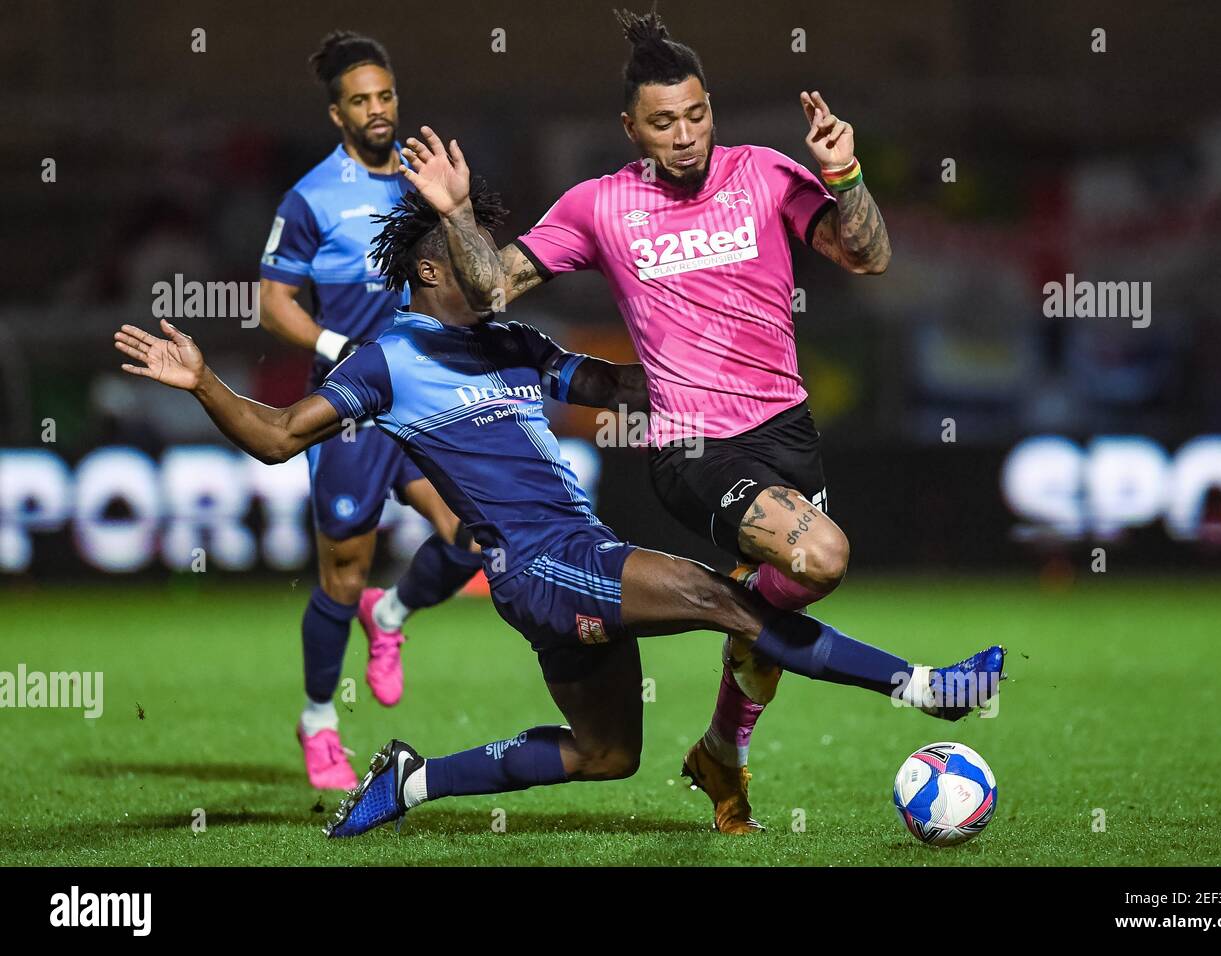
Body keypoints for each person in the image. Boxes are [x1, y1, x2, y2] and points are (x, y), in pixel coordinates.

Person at [113, 185, 1003, 840]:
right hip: (540, 563)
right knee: (720, 599)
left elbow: (616, 386)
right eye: (473, 258)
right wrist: (203, 383)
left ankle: (413, 782)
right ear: (432, 268)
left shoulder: (510, 340)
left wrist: (702, 336)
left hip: (574, 553)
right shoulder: (386, 362)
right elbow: (274, 438)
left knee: (606, 755)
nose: (496, 273)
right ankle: (927, 689)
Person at [389, 7, 895, 832]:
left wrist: (844, 177)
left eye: (697, 115)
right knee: (819, 557)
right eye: (665, 123)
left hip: (786, 428)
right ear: (632, 129)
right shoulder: (600, 206)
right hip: (690, 443)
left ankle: (721, 754)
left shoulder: (764, 172)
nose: (687, 135)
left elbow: (865, 253)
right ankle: (893, 679)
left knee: (788, 598)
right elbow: (491, 292)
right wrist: (456, 213)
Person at [256, 32, 482, 790]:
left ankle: (389, 620)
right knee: (341, 575)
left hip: (420, 393)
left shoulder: (425, 182)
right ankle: (319, 721)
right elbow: (273, 302)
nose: (378, 109)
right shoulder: (312, 196)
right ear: (337, 113)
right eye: (361, 100)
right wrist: (333, 339)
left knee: (473, 534)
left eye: (385, 95)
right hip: (349, 401)